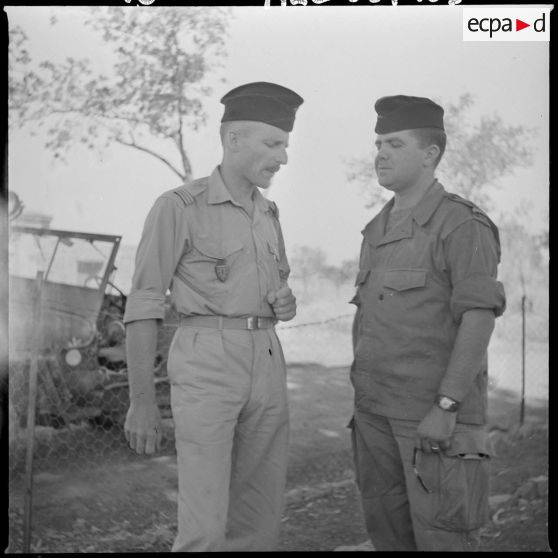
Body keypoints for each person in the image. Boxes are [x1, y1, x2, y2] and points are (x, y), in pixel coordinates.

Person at [122, 81, 304, 552]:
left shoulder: (269, 213)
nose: (282, 157)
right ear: (233, 139)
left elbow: (274, 292)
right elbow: (142, 305)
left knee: (260, 521)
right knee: (204, 527)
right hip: (207, 364)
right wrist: (142, 401)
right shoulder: (178, 207)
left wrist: (285, 304)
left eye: (284, 144)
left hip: (266, 359)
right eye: (272, 143)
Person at [349, 95, 506, 551]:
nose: (380, 153)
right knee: (388, 537)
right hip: (374, 416)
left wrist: (446, 407)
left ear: (430, 154)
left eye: (394, 143)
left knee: (444, 540)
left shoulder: (461, 224)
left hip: (433, 420)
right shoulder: (375, 230)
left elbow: (478, 319)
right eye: (378, 143)